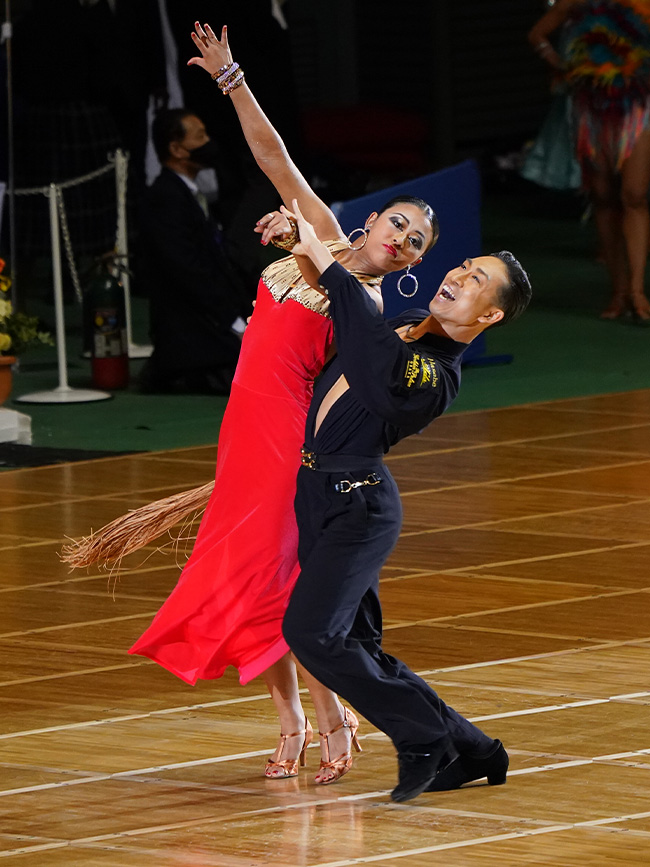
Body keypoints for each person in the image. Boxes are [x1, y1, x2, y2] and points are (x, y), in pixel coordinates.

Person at [66, 21, 440, 784]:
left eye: (418, 242)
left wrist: (297, 233)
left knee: (273, 580)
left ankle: (327, 718)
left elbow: (326, 306)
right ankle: (295, 718)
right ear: (374, 220)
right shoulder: (329, 234)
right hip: (239, 433)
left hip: (283, 441)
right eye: (401, 221)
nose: (404, 237)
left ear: (410, 264)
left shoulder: (363, 301)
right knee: (246, 574)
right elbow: (275, 157)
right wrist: (231, 77)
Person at [281, 198, 532, 803]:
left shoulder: (434, 372)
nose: (457, 276)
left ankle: (419, 735)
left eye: (476, 281)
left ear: (490, 317)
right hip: (316, 493)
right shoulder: (408, 322)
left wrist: (327, 264)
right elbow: (351, 318)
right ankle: (474, 748)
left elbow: (375, 363)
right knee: (357, 647)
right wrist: (303, 241)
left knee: (309, 633)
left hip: (358, 506)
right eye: (463, 266)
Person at [528, 0, 650, 322]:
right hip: (591, 109)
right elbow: (537, 34)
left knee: (634, 195)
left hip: (638, 105)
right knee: (604, 198)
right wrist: (560, 64)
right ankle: (619, 291)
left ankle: (637, 291)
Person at [138, 108, 251, 395]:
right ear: (176, 149)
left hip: (218, 314)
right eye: (199, 137)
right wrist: (233, 322)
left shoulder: (189, 194)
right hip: (194, 328)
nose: (208, 143)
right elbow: (188, 271)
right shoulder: (164, 198)